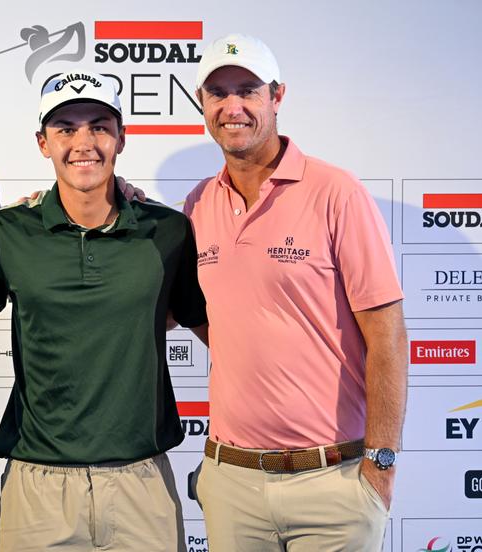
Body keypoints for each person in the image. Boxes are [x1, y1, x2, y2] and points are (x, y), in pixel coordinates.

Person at [184, 34, 408, 551]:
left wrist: (381, 465)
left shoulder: (336, 192)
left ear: (277, 96)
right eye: (218, 93)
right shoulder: (197, 204)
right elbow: (193, 310)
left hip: (333, 482)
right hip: (232, 483)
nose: (232, 107)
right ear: (202, 103)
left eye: (248, 91)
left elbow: (389, 337)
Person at [0, 69, 208, 552]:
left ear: (121, 138)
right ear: (43, 142)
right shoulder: (7, 232)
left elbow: (209, 329)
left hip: (142, 480)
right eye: (66, 129)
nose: (84, 143)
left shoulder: (168, 231)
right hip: (37, 486)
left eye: (99, 127)